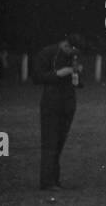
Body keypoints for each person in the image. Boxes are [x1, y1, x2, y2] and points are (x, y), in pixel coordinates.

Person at [31, 33, 83, 190]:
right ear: (66, 44)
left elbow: (78, 83)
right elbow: (37, 77)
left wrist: (77, 74)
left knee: (59, 143)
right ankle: (47, 182)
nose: (73, 54)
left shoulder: (72, 56)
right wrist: (60, 73)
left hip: (68, 103)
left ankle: (54, 179)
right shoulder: (48, 53)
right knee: (50, 143)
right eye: (71, 50)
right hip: (51, 102)